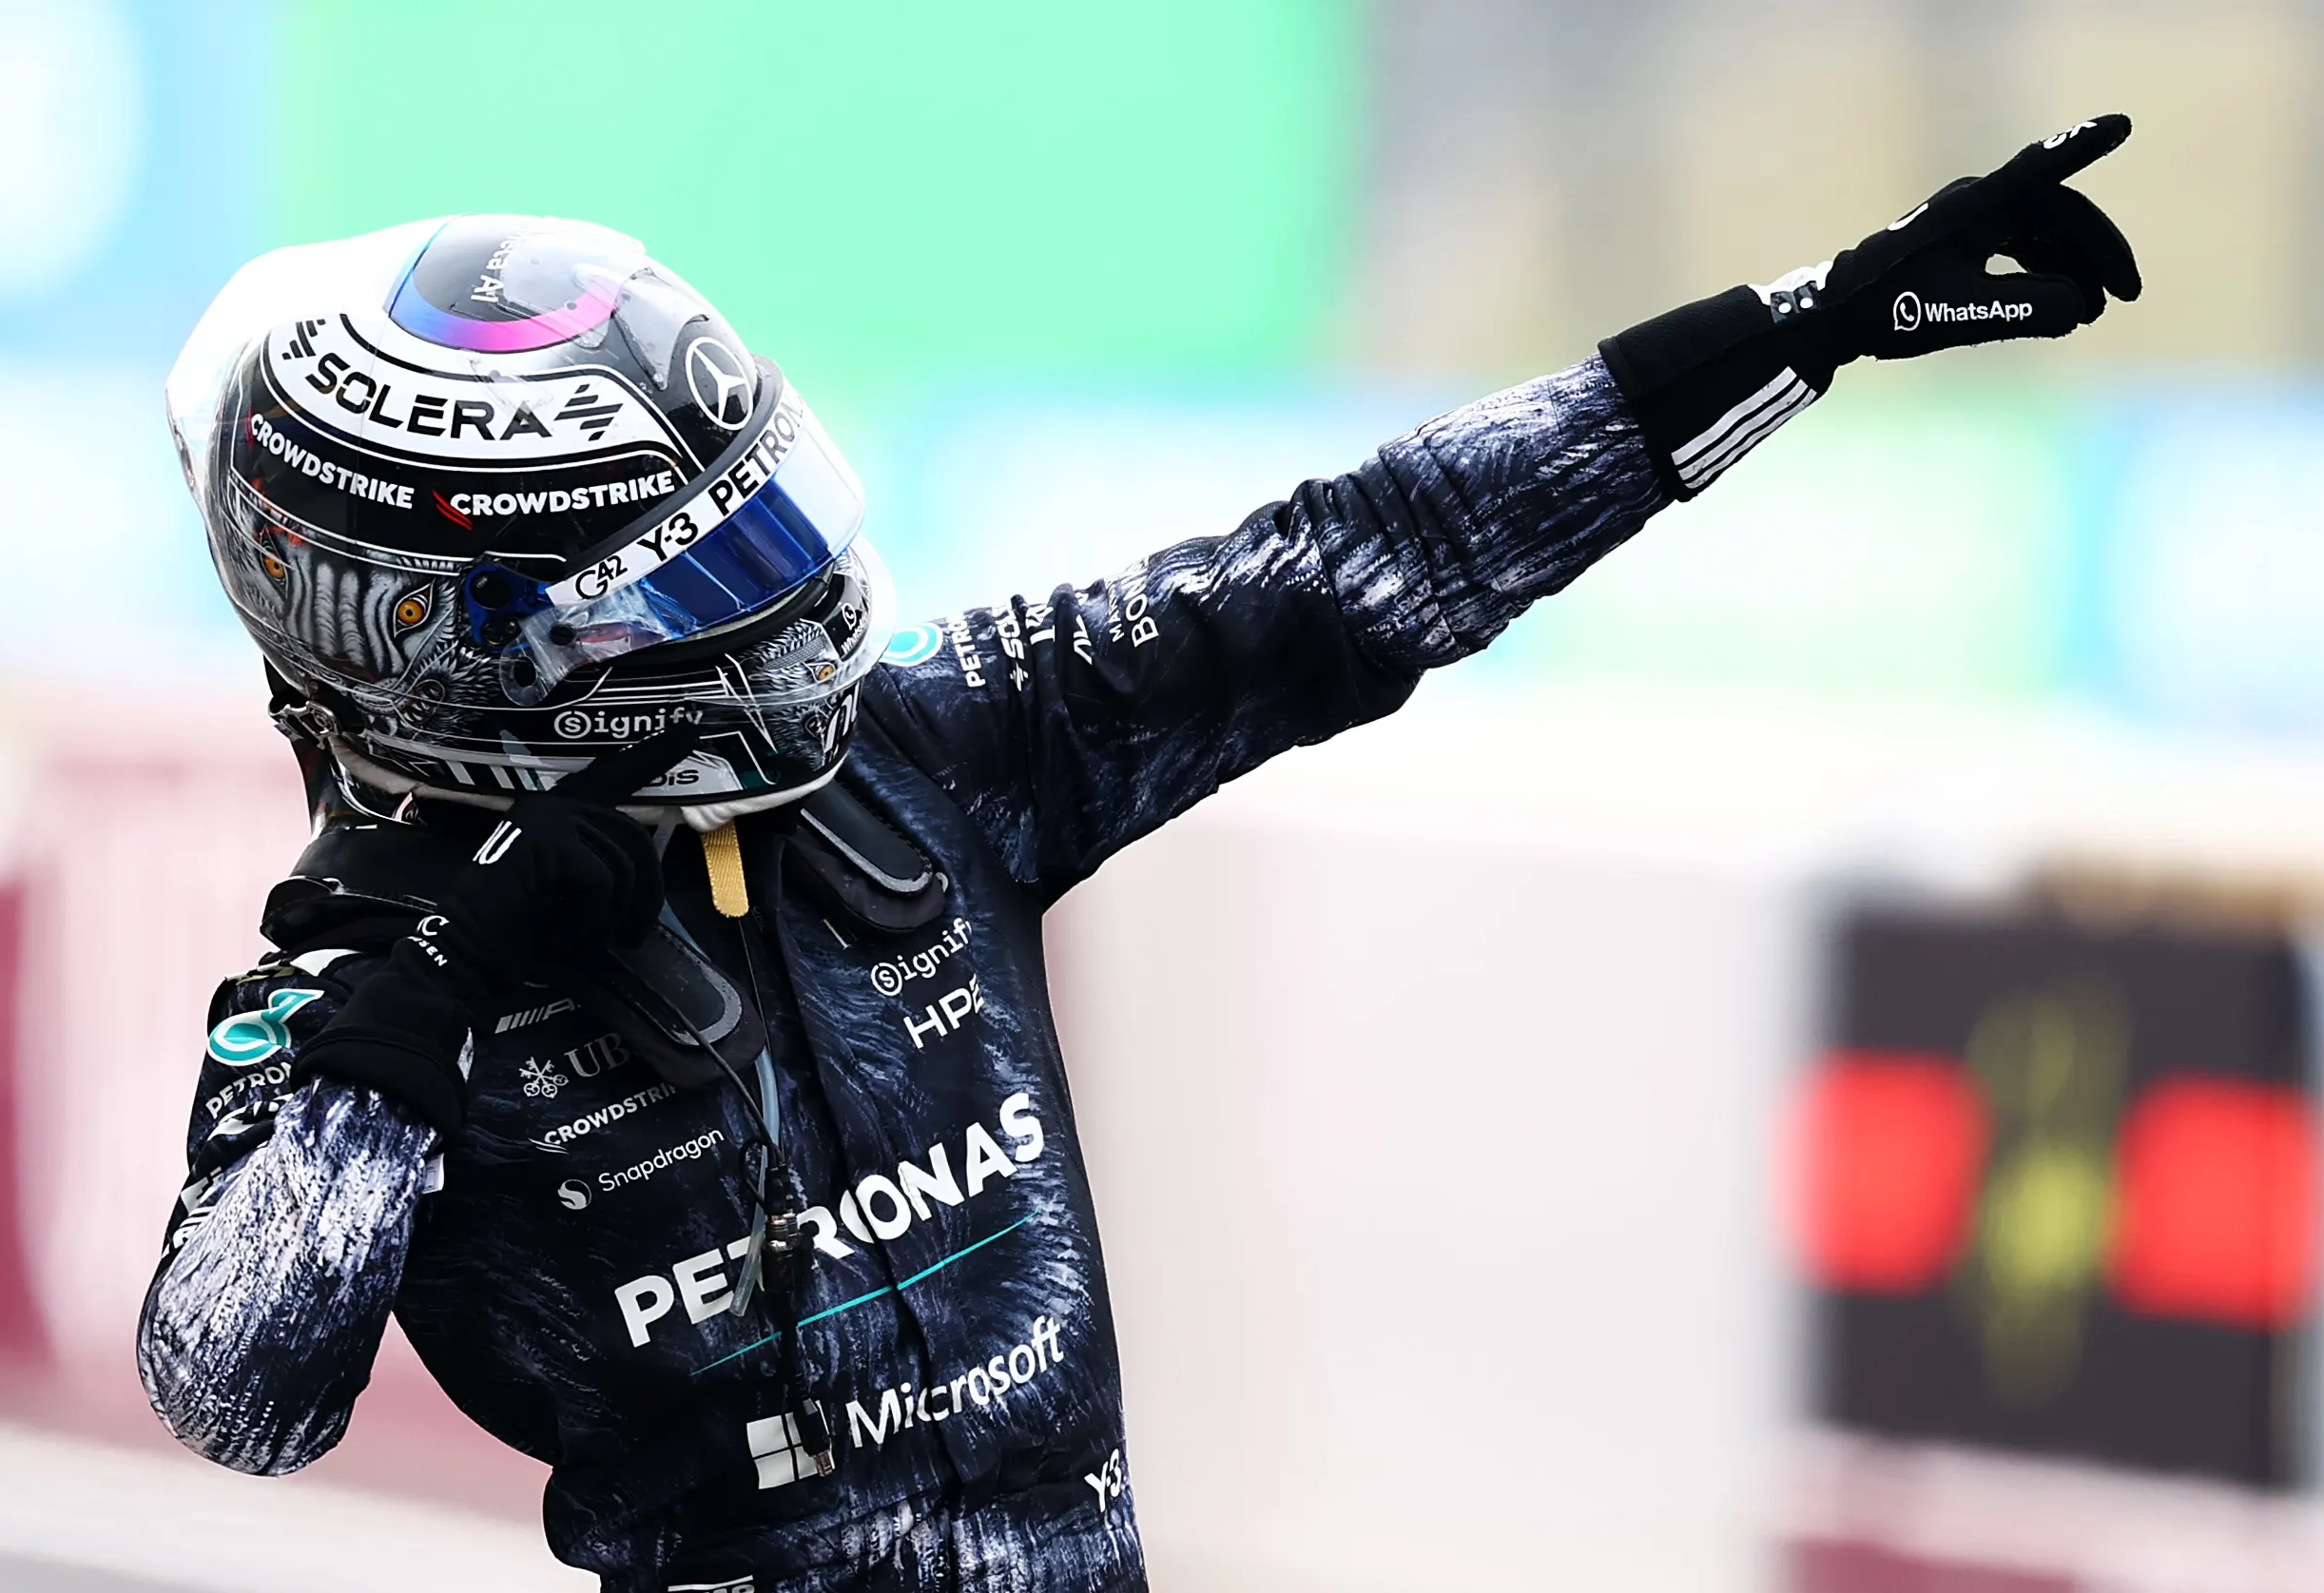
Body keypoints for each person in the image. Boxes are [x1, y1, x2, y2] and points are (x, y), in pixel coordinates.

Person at [137, 118, 2141, 1592]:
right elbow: (237, 1390)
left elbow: (1349, 570)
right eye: (693, 584)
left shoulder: (923, 752)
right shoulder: (344, 1017)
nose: (780, 611)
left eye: (763, 536)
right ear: (442, 647)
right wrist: (418, 1005)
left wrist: (1808, 324)